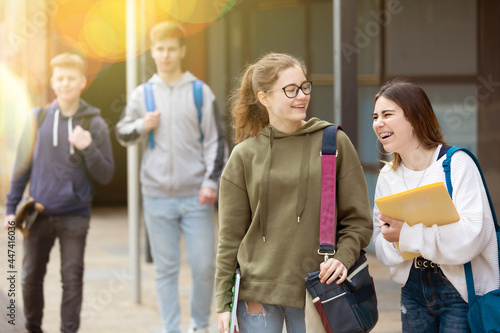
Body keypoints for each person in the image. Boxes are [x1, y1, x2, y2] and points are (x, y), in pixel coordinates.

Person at [215, 52, 373, 333]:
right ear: (264, 98)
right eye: (290, 90)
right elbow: (230, 238)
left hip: (318, 290)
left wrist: (342, 257)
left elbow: (358, 220)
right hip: (257, 294)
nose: (301, 96)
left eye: (304, 87)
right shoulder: (244, 156)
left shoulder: (333, 142)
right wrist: (224, 303)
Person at [116, 21, 227, 333]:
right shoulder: (143, 94)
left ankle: (199, 326)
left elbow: (217, 142)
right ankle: (171, 328)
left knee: (205, 266)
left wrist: (210, 182)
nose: (165, 55)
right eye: (159, 49)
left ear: (181, 51)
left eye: (170, 49)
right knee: (166, 269)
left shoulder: (199, 92)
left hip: (197, 196)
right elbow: (123, 133)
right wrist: (142, 126)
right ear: (153, 52)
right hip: (156, 196)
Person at [371, 79, 499, 332]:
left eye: (387, 114)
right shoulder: (387, 175)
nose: (378, 123)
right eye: (375, 116)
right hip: (413, 289)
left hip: (460, 289)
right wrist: (393, 238)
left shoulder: (457, 164)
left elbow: (473, 237)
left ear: (415, 118)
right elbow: (381, 246)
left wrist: (405, 235)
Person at [3, 53, 115, 332]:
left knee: (72, 278)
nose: (65, 84)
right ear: (53, 82)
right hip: (37, 214)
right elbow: (20, 168)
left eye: (71, 79)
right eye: (60, 78)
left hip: (75, 216)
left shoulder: (94, 124)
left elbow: (106, 174)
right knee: (30, 278)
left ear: (82, 82)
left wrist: (87, 147)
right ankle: (32, 328)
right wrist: (9, 209)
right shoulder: (37, 118)